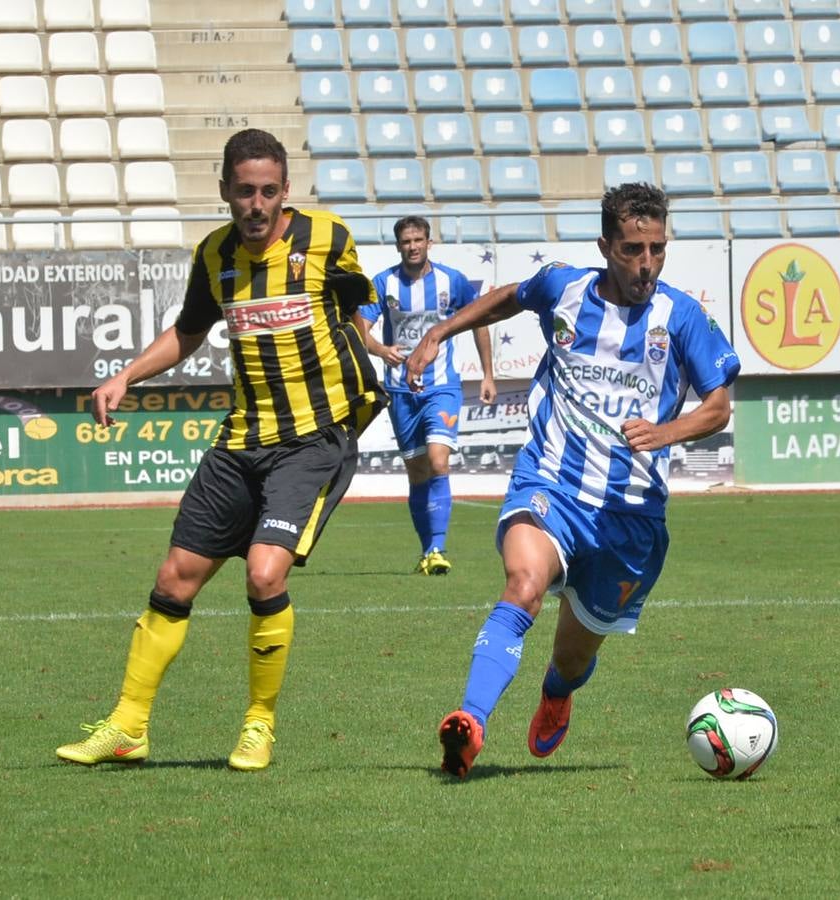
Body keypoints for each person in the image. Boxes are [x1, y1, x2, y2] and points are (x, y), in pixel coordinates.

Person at [55, 129, 383, 771]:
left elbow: (355, 312)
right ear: (226, 192)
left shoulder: (328, 239)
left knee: (265, 571)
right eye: (244, 191)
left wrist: (370, 380)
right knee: (174, 578)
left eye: (268, 191)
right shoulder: (212, 255)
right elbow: (188, 331)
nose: (256, 204)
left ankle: (258, 726)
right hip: (240, 439)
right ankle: (128, 727)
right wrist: (124, 375)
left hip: (313, 439)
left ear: (285, 191)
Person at [405, 182, 740, 778]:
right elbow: (512, 296)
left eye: (657, 249)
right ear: (606, 245)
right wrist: (438, 333)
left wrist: (667, 432)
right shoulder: (565, 288)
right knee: (524, 584)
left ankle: (557, 692)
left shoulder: (681, 317)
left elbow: (718, 406)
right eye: (633, 249)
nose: (647, 264)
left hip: (630, 514)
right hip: (553, 483)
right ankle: (471, 721)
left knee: (575, 652)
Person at [359, 215, 496, 575]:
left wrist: (487, 374)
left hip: (442, 386)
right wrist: (381, 349)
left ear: (429, 242)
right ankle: (427, 552)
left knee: (438, 461)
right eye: (406, 241)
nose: (413, 246)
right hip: (400, 389)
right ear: (398, 245)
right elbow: (359, 329)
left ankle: (438, 546)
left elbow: (479, 319)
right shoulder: (384, 283)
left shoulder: (452, 281)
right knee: (418, 470)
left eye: (418, 240)